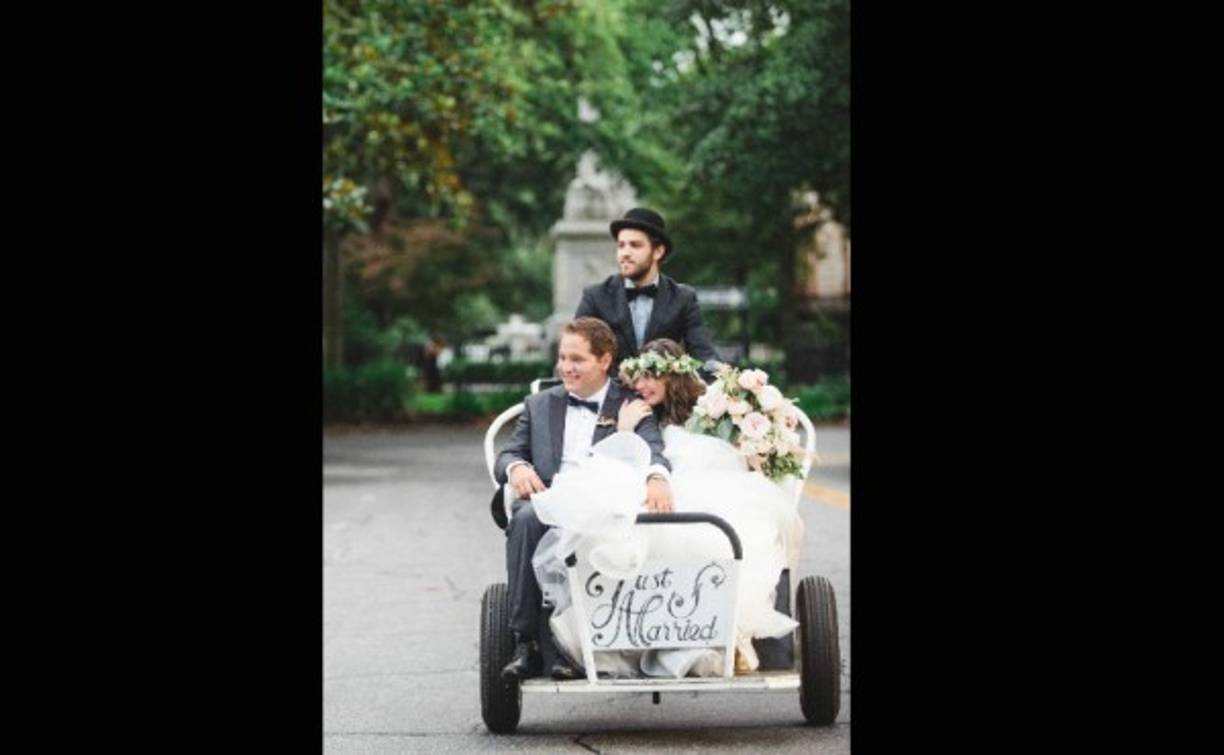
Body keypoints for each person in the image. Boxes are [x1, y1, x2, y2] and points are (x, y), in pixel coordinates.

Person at [532, 338, 804, 679]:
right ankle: (627, 629)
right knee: (624, 531)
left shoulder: (708, 411)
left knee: (709, 533)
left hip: (702, 491)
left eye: (651, 377)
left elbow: (724, 458)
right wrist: (625, 429)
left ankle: (723, 632)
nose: (642, 386)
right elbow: (615, 462)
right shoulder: (636, 411)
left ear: (672, 376)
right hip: (649, 491)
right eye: (638, 378)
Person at [493, 317, 674, 682]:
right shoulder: (539, 404)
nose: (565, 367)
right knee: (526, 517)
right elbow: (508, 452)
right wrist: (517, 469)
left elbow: (653, 449)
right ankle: (525, 642)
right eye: (562, 358)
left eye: (577, 359)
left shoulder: (629, 404)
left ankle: (572, 646)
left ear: (605, 360)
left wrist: (656, 477)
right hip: (551, 499)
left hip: (604, 502)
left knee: (599, 527)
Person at [575, 207, 720, 373]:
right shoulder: (595, 297)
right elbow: (575, 352)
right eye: (621, 246)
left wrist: (719, 381)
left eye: (635, 245)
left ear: (658, 251)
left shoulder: (683, 298)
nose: (625, 253)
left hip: (665, 397)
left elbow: (704, 354)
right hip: (610, 396)